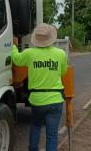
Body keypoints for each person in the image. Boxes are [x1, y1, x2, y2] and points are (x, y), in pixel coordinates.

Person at [12, 23, 68, 151]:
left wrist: (14, 45)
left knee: (36, 126)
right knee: (52, 135)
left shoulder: (29, 53)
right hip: (56, 100)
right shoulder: (60, 54)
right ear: (51, 38)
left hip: (37, 100)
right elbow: (63, 72)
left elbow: (16, 59)